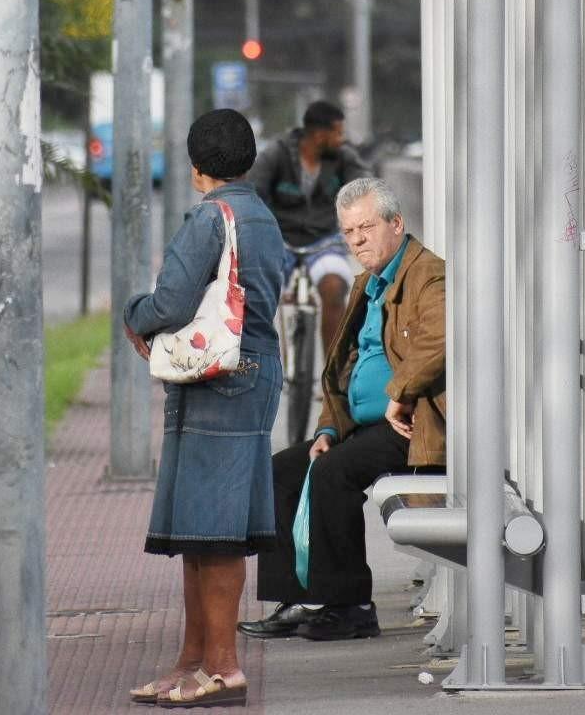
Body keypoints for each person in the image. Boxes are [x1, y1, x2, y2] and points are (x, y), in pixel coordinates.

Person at [124, 108, 287, 708]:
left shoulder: (208, 217)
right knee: (201, 528)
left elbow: (170, 300)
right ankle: (191, 663)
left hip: (221, 380)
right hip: (255, 372)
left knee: (215, 532)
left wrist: (134, 314)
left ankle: (222, 668)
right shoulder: (262, 217)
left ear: (197, 170)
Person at [238, 176, 445, 642]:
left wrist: (401, 391)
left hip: (413, 426)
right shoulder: (366, 285)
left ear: (397, 223)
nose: (358, 240)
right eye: (349, 232)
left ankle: (351, 606)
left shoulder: (429, 275)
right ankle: (299, 599)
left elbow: (440, 338)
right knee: (282, 470)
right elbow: (339, 371)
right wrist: (329, 426)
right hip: (364, 425)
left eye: (367, 228)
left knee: (333, 474)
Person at [247, 99, 370, 376]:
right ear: (320, 134)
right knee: (257, 295)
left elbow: (365, 185)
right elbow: (252, 192)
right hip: (280, 241)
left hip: (324, 242)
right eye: (338, 132)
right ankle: (257, 367)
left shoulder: (343, 158)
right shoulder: (276, 154)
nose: (342, 139)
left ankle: (334, 374)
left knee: (335, 288)